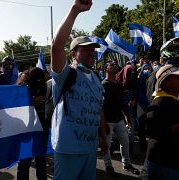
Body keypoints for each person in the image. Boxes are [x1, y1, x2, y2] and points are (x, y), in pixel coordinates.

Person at [50, 0, 108, 179]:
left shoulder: (97, 79)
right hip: (68, 148)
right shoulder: (66, 74)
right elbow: (56, 47)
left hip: (90, 148)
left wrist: (104, 137)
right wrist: (75, 10)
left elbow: (98, 109)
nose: (92, 53)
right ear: (73, 54)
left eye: (93, 49)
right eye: (85, 50)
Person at [145, 64, 179, 179]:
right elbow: (152, 131)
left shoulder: (176, 101)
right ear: (166, 82)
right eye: (177, 77)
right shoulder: (158, 103)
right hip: (165, 164)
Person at [102, 61, 139, 176]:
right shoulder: (103, 85)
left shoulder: (118, 84)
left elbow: (122, 103)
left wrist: (127, 116)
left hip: (119, 119)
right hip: (108, 120)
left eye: (114, 64)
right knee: (106, 145)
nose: (114, 65)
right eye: (110, 64)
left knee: (125, 141)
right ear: (105, 69)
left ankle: (126, 163)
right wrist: (103, 124)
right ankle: (108, 166)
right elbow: (100, 107)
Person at [17, 67, 48, 180]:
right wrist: (32, 102)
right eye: (36, 79)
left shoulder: (44, 86)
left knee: (41, 159)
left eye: (41, 78)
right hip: (26, 128)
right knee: (25, 160)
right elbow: (18, 108)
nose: (39, 81)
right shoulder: (22, 89)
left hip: (41, 127)